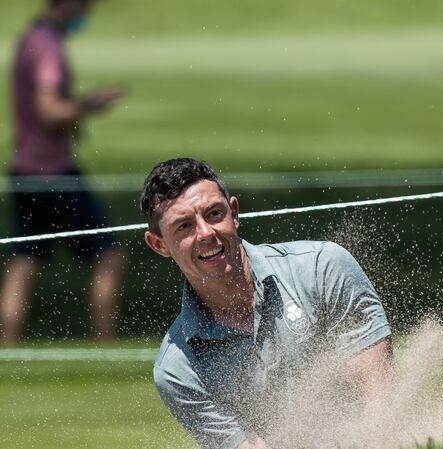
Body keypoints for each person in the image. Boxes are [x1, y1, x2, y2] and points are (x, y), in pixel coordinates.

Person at [140, 158, 393, 449]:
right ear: (159, 244)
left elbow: (380, 397)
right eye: (184, 226)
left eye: (214, 213)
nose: (206, 233)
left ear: (233, 213)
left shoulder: (322, 268)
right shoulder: (177, 369)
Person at [0, 0, 126, 343]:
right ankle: (105, 347)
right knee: (109, 256)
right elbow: (48, 109)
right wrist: (88, 106)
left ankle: (7, 349)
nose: (87, 11)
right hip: (53, 172)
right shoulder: (48, 46)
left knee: (25, 260)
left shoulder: (30, 36)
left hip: (25, 168)